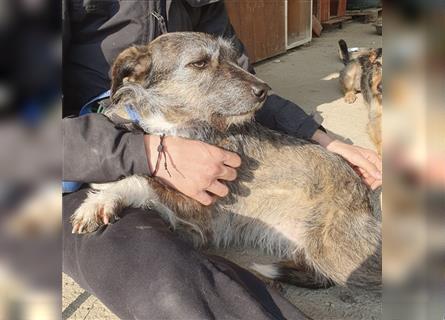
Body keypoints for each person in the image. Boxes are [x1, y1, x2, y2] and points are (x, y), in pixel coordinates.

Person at [63, 0, 382, 318]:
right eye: (201, 64)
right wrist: (147, 155)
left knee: (352, 267)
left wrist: (321, 137)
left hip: (302, 194)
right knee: (164, 282)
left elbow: (248, 87)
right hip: (71, 153)